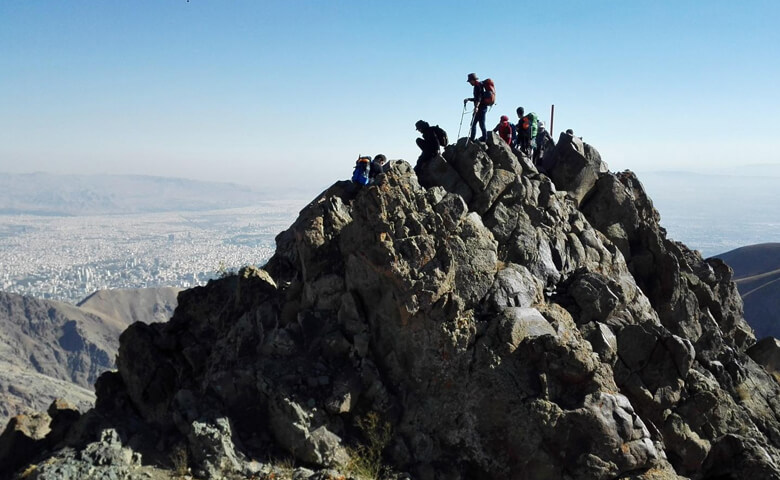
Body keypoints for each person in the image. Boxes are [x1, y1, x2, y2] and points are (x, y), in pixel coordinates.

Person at [464, 73, 488, 142]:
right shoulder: (477, 85)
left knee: (480, 123)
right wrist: (468, 99)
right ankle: (474, 138)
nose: (469, 83)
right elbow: (476, 98)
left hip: (481, 108)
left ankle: (483, 138)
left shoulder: (478, 85)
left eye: (470, 81)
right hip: (481, 108)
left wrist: (476, 107)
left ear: (472, 80)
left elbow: (479, 97)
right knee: (475, 123)